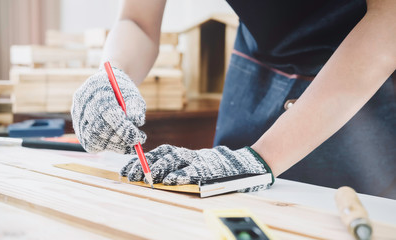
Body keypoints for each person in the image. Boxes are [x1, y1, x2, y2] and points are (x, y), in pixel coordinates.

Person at [71, 0, 396, 198]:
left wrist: (264, 157)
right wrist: (111, 77)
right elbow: (137, 21)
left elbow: (388, 24)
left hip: (363, 84)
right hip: (256, 74)